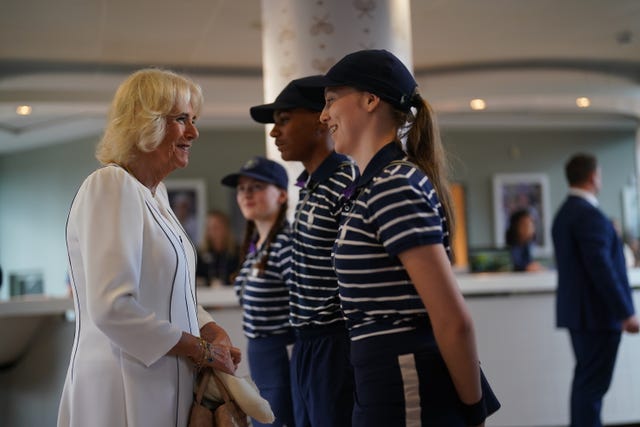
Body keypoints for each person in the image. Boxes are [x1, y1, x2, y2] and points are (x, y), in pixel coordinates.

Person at [305, 49, 500, 426]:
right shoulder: (374, 184)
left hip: (405, 375)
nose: (323, 115)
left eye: (330, 101)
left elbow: (452, 318)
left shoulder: (394, 184)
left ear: (370, 99)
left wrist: (473, 410)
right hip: (380, 375)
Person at [58, 68, 241, 427]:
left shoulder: (155, 196)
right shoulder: (111, 185)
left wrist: (208, 328)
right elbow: (113, 308)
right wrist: (201, 351)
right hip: (123, 383)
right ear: (146, 122)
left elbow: (168, 292)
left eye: (194, 120)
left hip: (158, 379)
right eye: (182, 119)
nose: (194, 132)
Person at [250, 76, 357, 426]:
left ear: (320, 119)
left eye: (284, 120)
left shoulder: (345, 183)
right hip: (308, 344)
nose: (274, 133)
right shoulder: (312, 187)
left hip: (336, 343)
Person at [552, 153, 639, 427]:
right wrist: (625, 312)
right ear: (593, 177)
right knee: (591, 389)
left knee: (586, 385)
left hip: (581, 315)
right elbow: (601, 268)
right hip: (597, 317)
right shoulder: (587, 214)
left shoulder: (565, 213)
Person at [221, 156, 295, 427]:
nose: (246, 194)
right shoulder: (256, 246)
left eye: (257, 187)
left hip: (283, 362)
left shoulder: (286, 244)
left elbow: (303, 309)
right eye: (242, 188)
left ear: (282, 195)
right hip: (261, 361)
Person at [196, 210, 240, 286]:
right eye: (209, 228)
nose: (212, 232)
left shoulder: (238, 252)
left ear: (226, 229)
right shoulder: (199, 254)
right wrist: (208, 282)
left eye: (216, 227)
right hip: (205, 296)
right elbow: (193, 279)